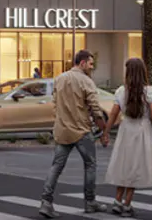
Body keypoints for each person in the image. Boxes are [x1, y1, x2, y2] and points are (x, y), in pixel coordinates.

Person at [39, 49, 110, 219]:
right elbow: (95, 110)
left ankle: (46, 202)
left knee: (56, 166)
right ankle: (90, 201)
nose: (92, 67)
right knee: (90, 164)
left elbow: (55, 105)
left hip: (62, 130)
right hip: (81, 130)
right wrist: (104, 132)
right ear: (82, 62)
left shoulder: (59, 79)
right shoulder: (87, 81)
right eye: (91, 64)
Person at [105, 56, 152, 218]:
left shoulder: (121, 91)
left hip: (126, 130)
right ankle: (127, 204)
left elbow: (114, 113)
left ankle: (117, 201)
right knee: (136, 167)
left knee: (124, 165)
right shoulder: (149, 91)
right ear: (142, 72)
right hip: (142, 130)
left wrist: (106, 133)